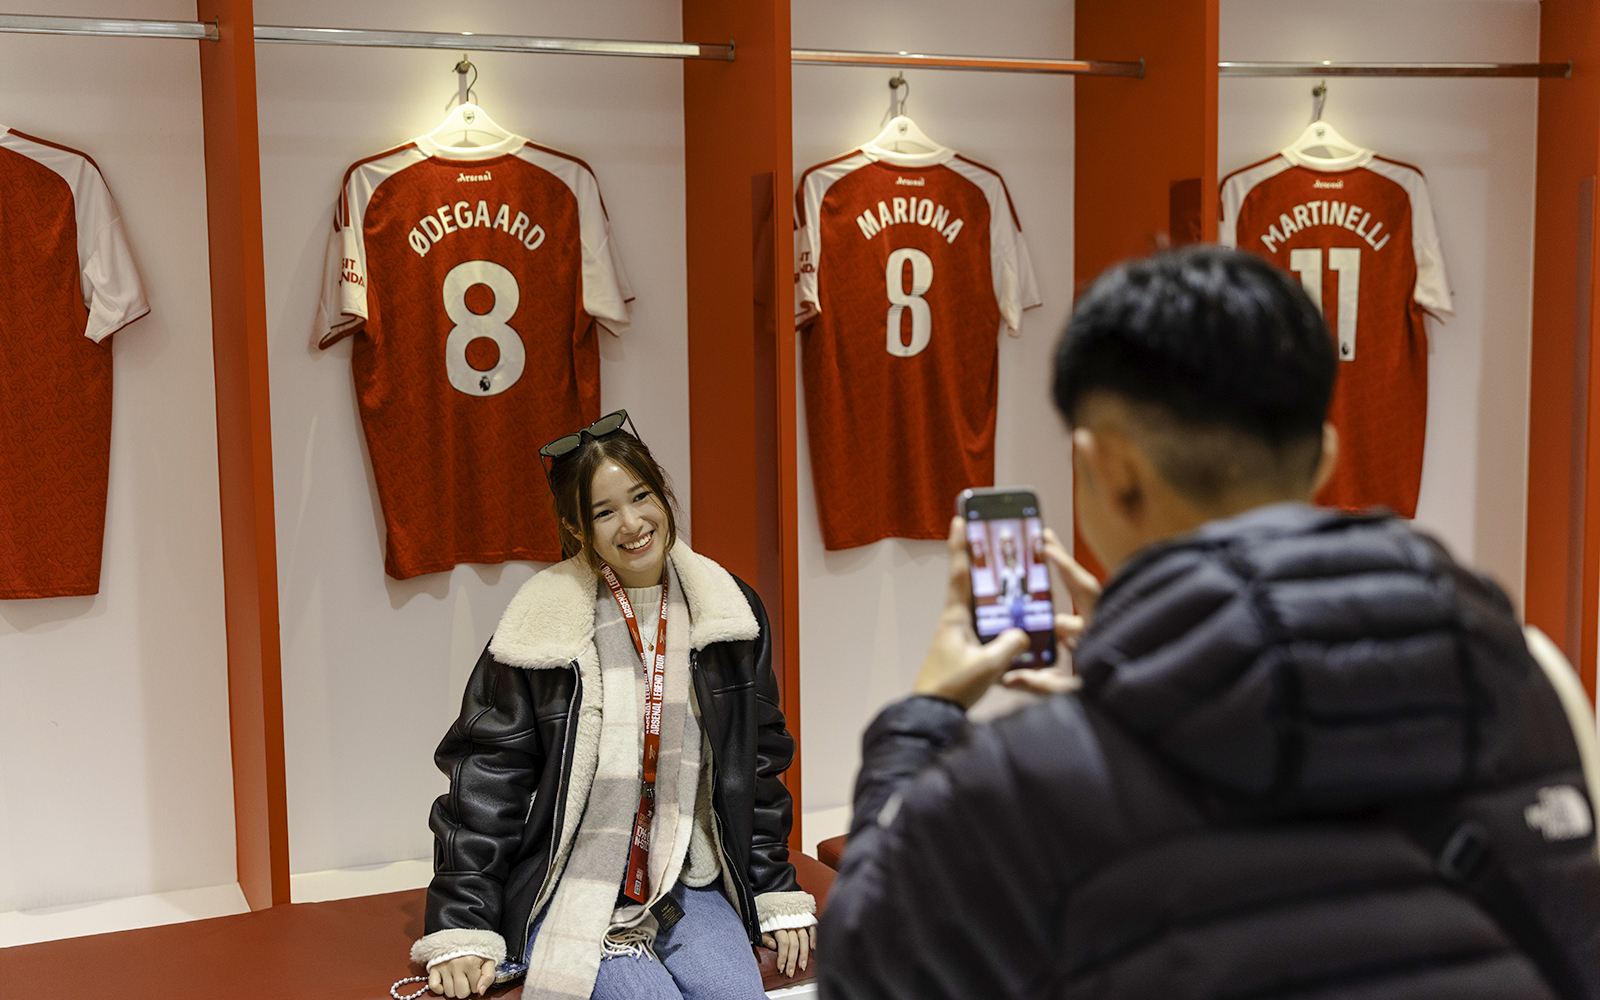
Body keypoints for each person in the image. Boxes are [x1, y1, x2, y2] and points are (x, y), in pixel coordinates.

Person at [818, 246, 1600, 999]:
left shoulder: (1023, 778)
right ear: (1324, 457)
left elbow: (866, 971)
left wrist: (923, 718)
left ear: (1110, 471)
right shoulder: (1532, 680)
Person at [412, 411, 816, 999]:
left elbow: (756, 765)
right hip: (574, 879)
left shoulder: (728, 612)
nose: (632, 523)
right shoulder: (541, 625)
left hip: (688, 874)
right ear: (579, 529)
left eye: (641, 495)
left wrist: (774, 889)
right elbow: (485, 783)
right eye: (604, 512)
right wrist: (464, 927)